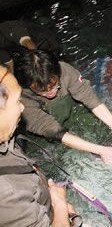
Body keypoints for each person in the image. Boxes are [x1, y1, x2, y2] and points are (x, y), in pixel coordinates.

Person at [14, 50, 112, 163]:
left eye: (53, 85)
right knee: (55, 160)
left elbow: (91, 100)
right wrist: (101, 150)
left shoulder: (64, 70)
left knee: (103, 131)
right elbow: (54, 131)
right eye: (41, 90)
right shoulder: (20, 97)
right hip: (41, 132)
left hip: (70, 111)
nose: (50, 92)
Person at [0, 66, 72, 227]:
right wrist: (60, 205)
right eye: (17, 101)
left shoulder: (6, 137)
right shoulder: (5, 194)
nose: (23, 107)